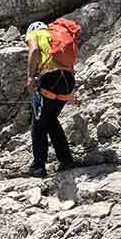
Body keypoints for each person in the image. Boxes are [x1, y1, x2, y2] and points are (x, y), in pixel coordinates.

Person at [24, 20, 80, 177]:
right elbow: (69, 66)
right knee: (50, 120)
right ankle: (66, 160)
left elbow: (34, 50)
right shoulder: (57, 37)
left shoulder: (35, 33)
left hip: (50, 78)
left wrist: (30, 77)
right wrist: (72, 93)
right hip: (67, 81)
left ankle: (38, 167)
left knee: (38, 123)